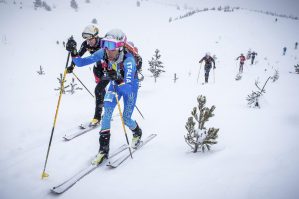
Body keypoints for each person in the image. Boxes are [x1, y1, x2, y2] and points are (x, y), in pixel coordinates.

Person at [66, 29, 142, 165]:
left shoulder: (128, 61)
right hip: (115, 83)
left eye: (112, 46)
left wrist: (118, 78)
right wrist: (73, 51)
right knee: (106, 113)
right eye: (106, 44)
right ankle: (103, 150)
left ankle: (137, 132)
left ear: (120, 47)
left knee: (126, 118)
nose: (108, 50)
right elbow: (81, 63)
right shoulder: (104, 52)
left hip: (129, 87)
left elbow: (128, 88)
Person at [66, 24, 108, 127]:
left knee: (98, 90)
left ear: (96, 37)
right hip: (98, 70)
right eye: (87, 39)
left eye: (90, 39)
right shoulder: (86, 44)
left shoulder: (104, 43)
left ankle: (97, 117)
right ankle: (104, 110)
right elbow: (78, 56)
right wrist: (72, 65)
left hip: (108, 70)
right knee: (101, 91)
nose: (88, 42)